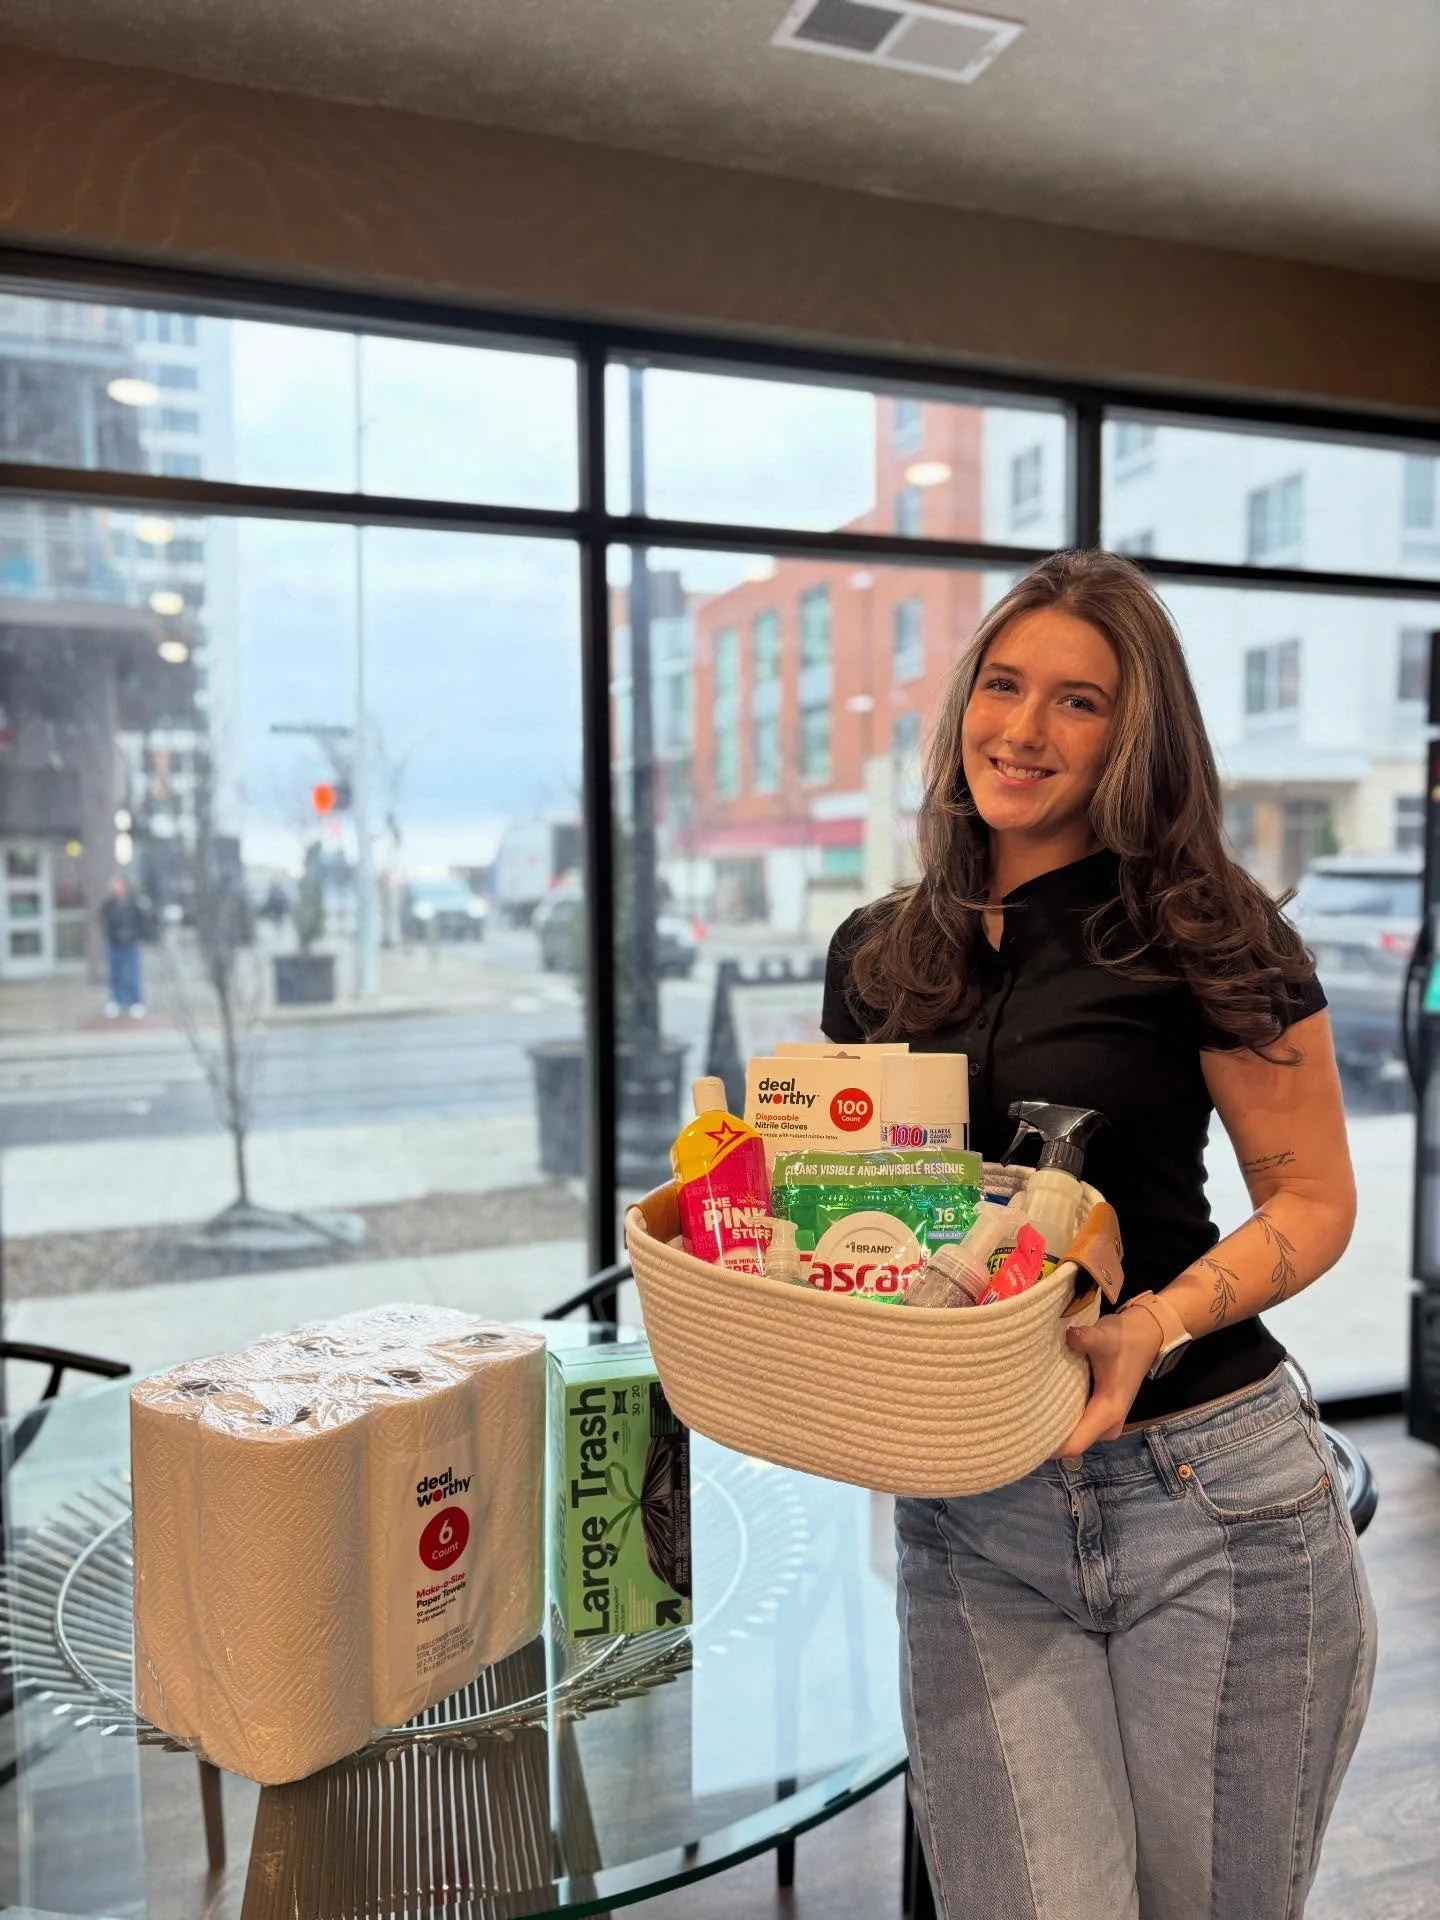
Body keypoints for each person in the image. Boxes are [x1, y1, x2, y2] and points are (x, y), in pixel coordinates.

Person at [823, 551, 1374, 1920]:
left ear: (1136, 738)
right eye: (1003, 686)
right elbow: (848, 1216)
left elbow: (1312, 1200)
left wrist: (1153, 1322)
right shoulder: (880, 955)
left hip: (1213, 1500)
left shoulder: (1211, 935)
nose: (1023, 730)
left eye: (1079, 702)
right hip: (976, 1516)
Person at [100, 873, 145, 1019]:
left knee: (132, 974)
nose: (114, 887)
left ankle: (136, 1002)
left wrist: (135, 935)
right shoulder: (109, 905)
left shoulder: (133, 904)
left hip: (130, 944)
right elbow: (103, 920)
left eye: (117, 884)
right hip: (114, 944)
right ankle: (116, 1002)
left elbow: (140, 921)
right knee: (115, 974)